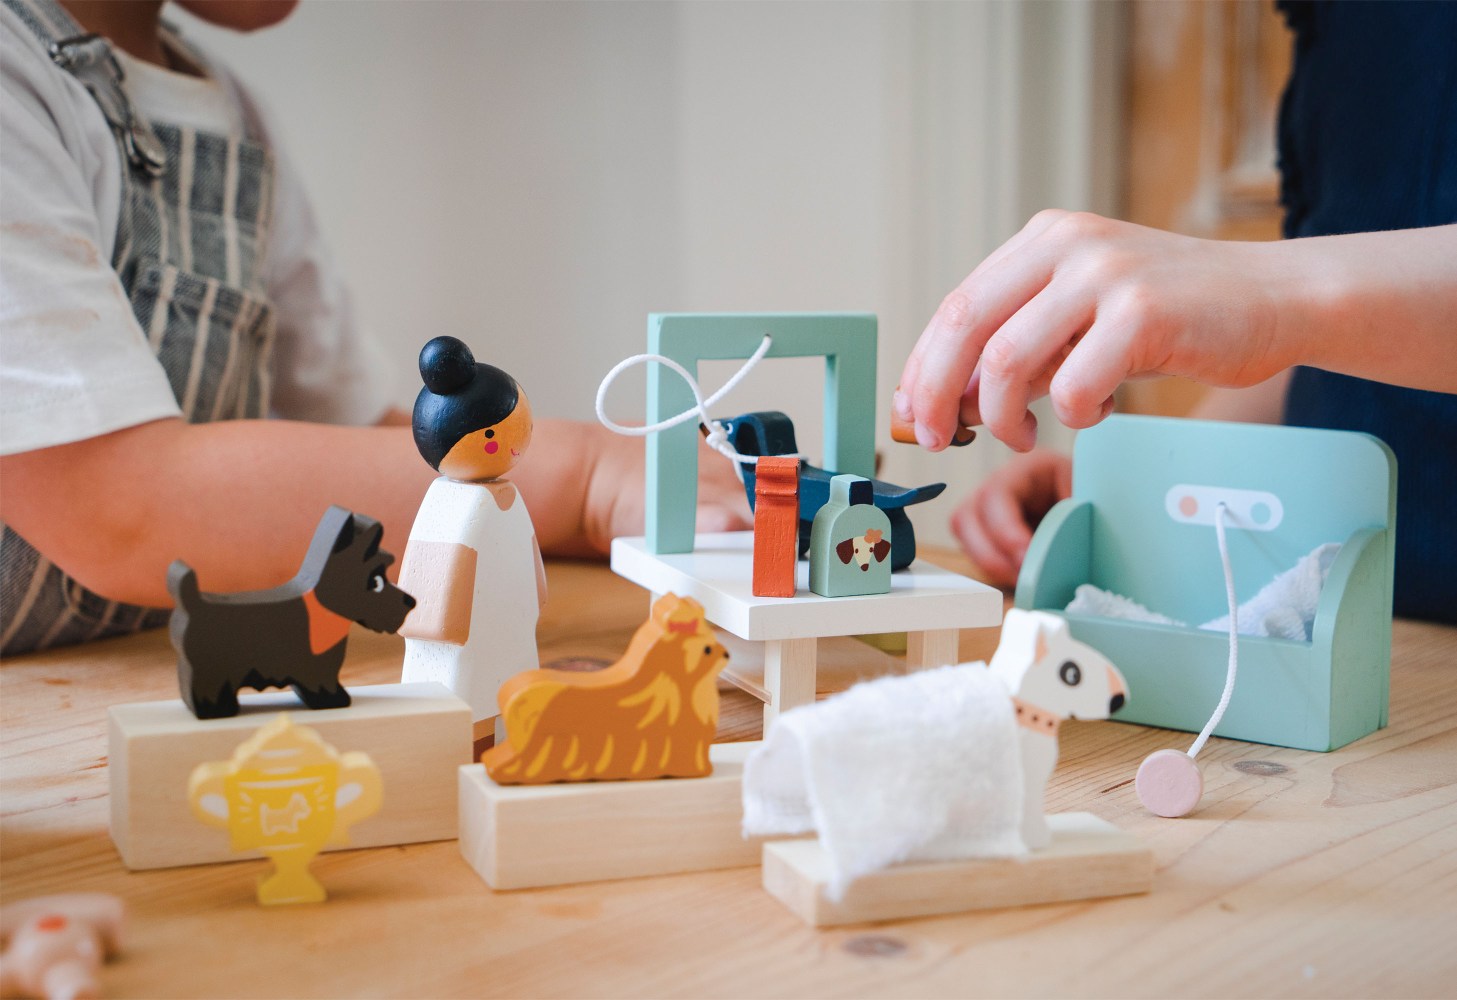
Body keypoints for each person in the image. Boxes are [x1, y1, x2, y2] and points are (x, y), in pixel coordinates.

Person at [0, 0, 748, 656]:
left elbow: (365, 438)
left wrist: (596, 508)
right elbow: (117, 504)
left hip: (144, 667)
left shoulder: (235, 118)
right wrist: (583, 476)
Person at [895, 1, 1457, 624]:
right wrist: (1135, 489)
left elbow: (1307, 312)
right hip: (1350, 621)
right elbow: (1327, 354)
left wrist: (1271, 292)